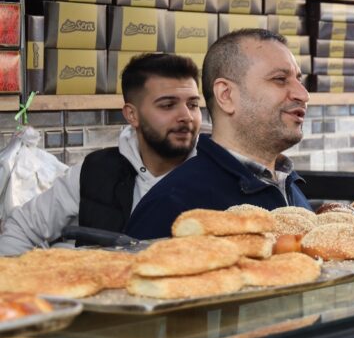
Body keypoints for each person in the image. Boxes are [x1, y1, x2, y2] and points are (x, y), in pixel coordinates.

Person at [0, 53, 201, 256]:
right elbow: (22, 228)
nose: (186, 116)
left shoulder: (218, 176)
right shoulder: (94, 172)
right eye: (168, 105)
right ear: (132, 115)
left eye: (193, 105)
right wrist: (18, 280)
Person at [126, 29, 311, 240]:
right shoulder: (172, 206)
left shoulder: (289, 188)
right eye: (280, 79)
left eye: (298, 79)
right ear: (226, 95)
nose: (303, 94)